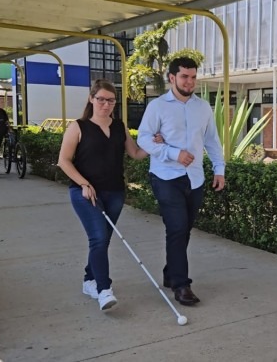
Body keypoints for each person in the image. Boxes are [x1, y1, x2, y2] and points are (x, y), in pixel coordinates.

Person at [57, 79, 161, 311]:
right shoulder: (78, 127)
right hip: (85, 193)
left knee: (102, 240)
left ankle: (89, 280)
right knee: (99, 239)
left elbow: (134, 153)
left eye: (110, 100)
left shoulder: (119, 126)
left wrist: (154, 145)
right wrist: (83, 183)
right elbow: (63, 161)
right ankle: (104, 290)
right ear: (91, 99)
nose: (105, 104)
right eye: (101, 99)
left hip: (115, 192)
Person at [137, 57, 225, 306]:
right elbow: (143, 138)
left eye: (193, 77)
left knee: (184, 229)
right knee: (176, 227)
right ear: (172, 77)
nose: (190, 81)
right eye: (185, 76)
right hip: (165, 176)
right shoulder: (157, 107)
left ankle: (170, 273)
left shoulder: (203, 107)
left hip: (195, 178)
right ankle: (181, 285)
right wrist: (174, 153)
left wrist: (219, 170)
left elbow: (212, 141)